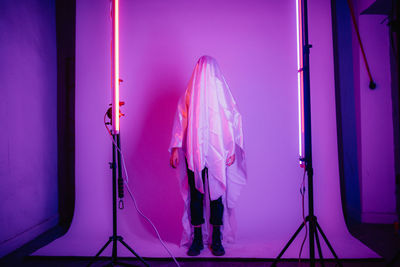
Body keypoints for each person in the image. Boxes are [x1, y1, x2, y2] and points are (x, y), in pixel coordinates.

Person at [169, 55, 246, 256]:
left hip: (217, 151)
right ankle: (197, 239)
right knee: (197, 194)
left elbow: (232, 117)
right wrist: (176, 148)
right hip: (195, 150)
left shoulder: (222, 92)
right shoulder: (190, 93)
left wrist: (231, 150)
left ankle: (217, 237)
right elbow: (181, 119)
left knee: (216, 193)